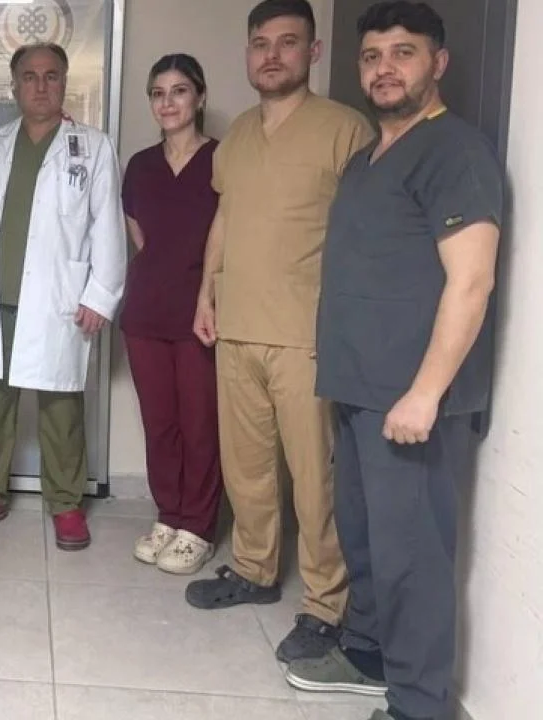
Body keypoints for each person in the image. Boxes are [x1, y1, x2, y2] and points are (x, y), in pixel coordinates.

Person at [284, 4, 503, 719]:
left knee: (413, 557)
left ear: (438, 63)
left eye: (403, 53)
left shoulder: (455, 152)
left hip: (411, 401)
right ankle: (369, 652)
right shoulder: (367, 159)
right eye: (373, 55)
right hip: (357, 388)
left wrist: (426, 393)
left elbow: (472, 281)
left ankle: (419, 704)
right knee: (366, 538)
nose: (385, 68)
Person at [184, 0, 375, 663]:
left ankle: (326, 605)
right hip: (238, 327)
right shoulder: (237, 135)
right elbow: (226, 218)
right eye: (260, 43)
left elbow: (364, 238)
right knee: (248, 467)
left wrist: (346, 323)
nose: (272, 55)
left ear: (313, 53)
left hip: (306, 335)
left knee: (316, 480)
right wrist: (207, 291)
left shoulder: (345, 130)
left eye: (287, 42)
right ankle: (254, 568)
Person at [0, 42, 125, 552]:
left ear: (65, 83)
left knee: (61, 407)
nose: (41, 86)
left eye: (51, 76)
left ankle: (66, 504)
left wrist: (101, 295)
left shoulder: (92, 147)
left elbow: (107, 226)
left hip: (57, 300)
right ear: (14, 86)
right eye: (30, 76)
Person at [121, 53, 223, 576]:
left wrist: (201, 289)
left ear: (199, 97)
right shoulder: (140, 166)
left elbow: (228, 238)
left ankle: (198, 526)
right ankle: (169, 515)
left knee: (200, 423)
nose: (168, 102)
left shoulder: (222, 159)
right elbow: (141, 237)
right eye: (158, 93)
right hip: (146, 312)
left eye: (179, 91)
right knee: (159, 423)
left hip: (200, 314)